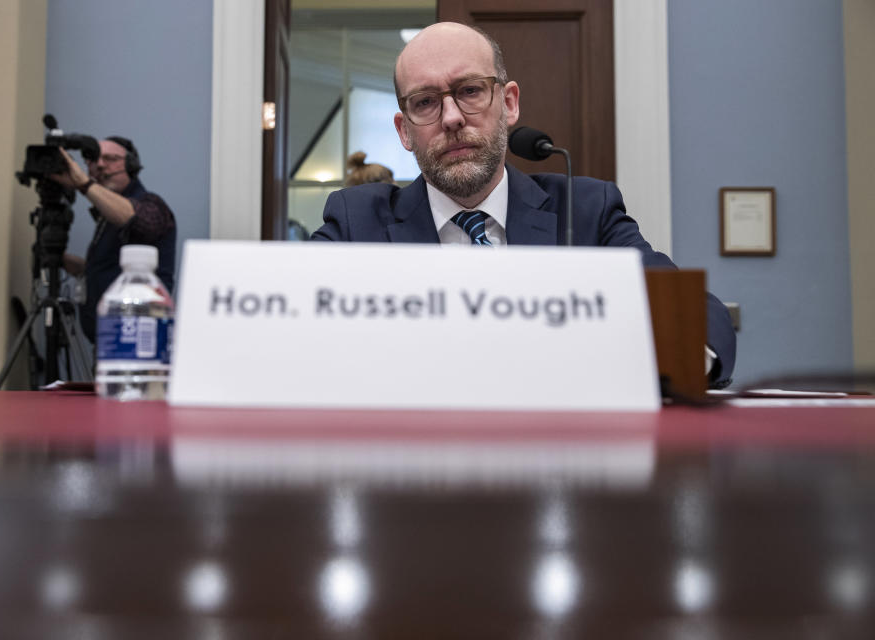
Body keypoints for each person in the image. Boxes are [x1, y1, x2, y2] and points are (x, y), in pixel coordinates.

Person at [310, 22, 736, 388]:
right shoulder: (356, 222)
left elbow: (694, 314)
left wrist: (677, 363)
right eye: (425, 102)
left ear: (508, 103)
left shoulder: (585, 210)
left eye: (470, 91)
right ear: (404, 131)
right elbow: (288, 318)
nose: (452, 118)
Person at [48, 136, 176, 342]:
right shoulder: (106, 217)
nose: (100, 165)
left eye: (110, 158)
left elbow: (137, 220)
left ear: (131, 165)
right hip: (108, 344)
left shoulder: (151, 204)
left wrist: (84, 184)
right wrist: (79, 267)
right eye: (93, 160)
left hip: (136, 341)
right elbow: (113, 270)